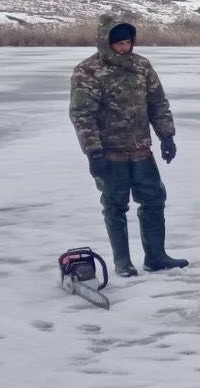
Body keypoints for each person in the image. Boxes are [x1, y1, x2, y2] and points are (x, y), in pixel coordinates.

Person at [70, 15, 189, 277]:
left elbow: (157, 103)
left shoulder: (142, 66)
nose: (125, 48)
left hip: (141, 151)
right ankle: (123, 263)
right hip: (110, 154)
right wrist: (93, 151)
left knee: (154, 200)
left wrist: (166, 137)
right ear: (106, 43)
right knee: (115, 205)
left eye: (128, 42)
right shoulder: (88, 71)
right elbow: (82, 114)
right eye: (119, 43)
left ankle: (156, 256)